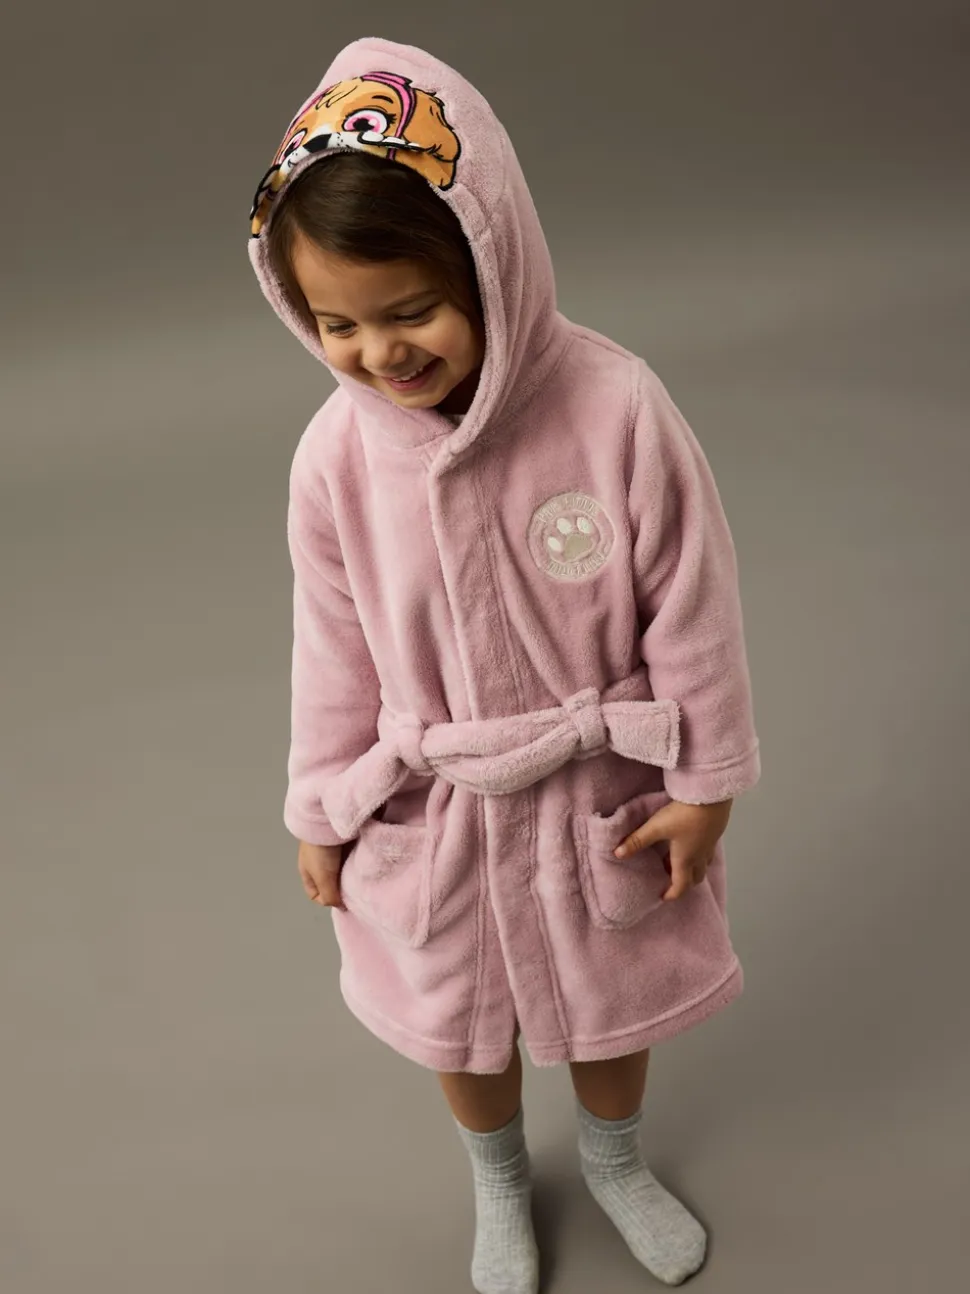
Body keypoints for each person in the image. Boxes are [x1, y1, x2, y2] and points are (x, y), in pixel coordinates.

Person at [248, 37, 760, 1293]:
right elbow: (331, 646)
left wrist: (705, 782)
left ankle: (615, 1159)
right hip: (434, 799)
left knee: (614, 990)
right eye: (336, 324)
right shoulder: (335, 460)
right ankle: (497, 1179)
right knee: (456, 1013)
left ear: (491, 260)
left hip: (598, 785)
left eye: (410, 310)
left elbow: (691, 602)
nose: (379, 352)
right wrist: (320, 805)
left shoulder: (613, 406)